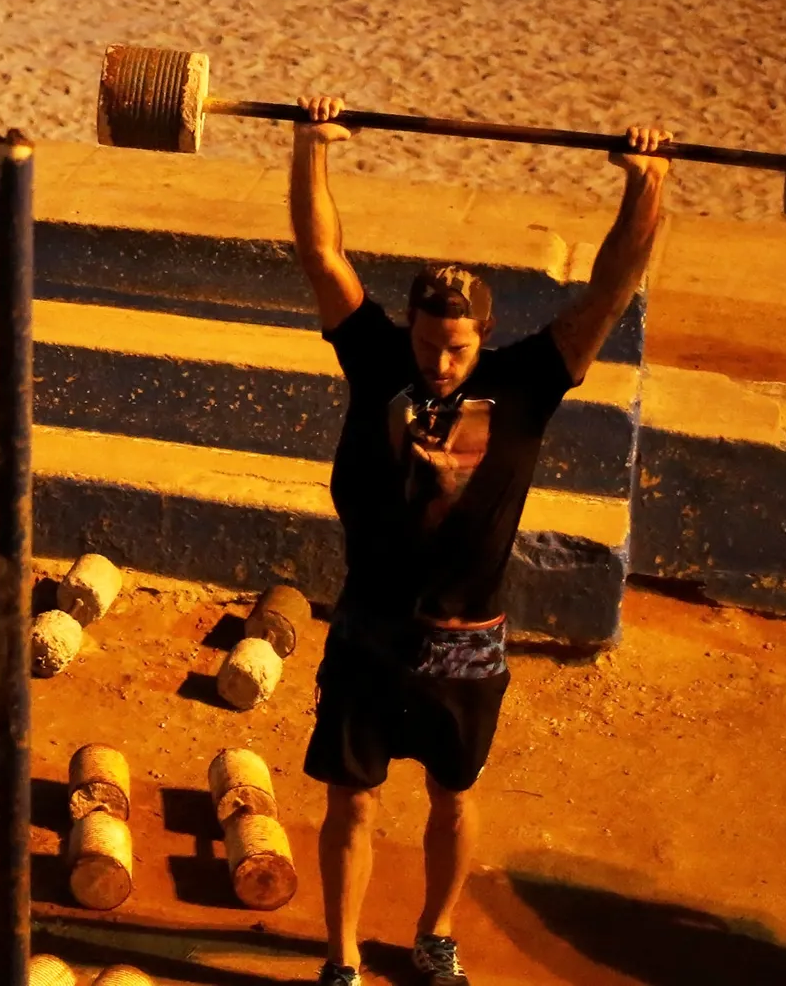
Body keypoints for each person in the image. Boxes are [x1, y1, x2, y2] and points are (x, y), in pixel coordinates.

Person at [290, 96, 671, 986]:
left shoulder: (530, 381)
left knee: (453, 798)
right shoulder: (378, 357)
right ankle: (342, 959)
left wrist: (646, 188)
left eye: (456, 348)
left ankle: (436, 933)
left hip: (467, 642)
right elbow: (322, 255)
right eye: (428, 344)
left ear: (484, 336)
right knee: (351, 800)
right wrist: (312, 147)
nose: (438, 362)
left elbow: (612, 287)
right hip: (371, 628)